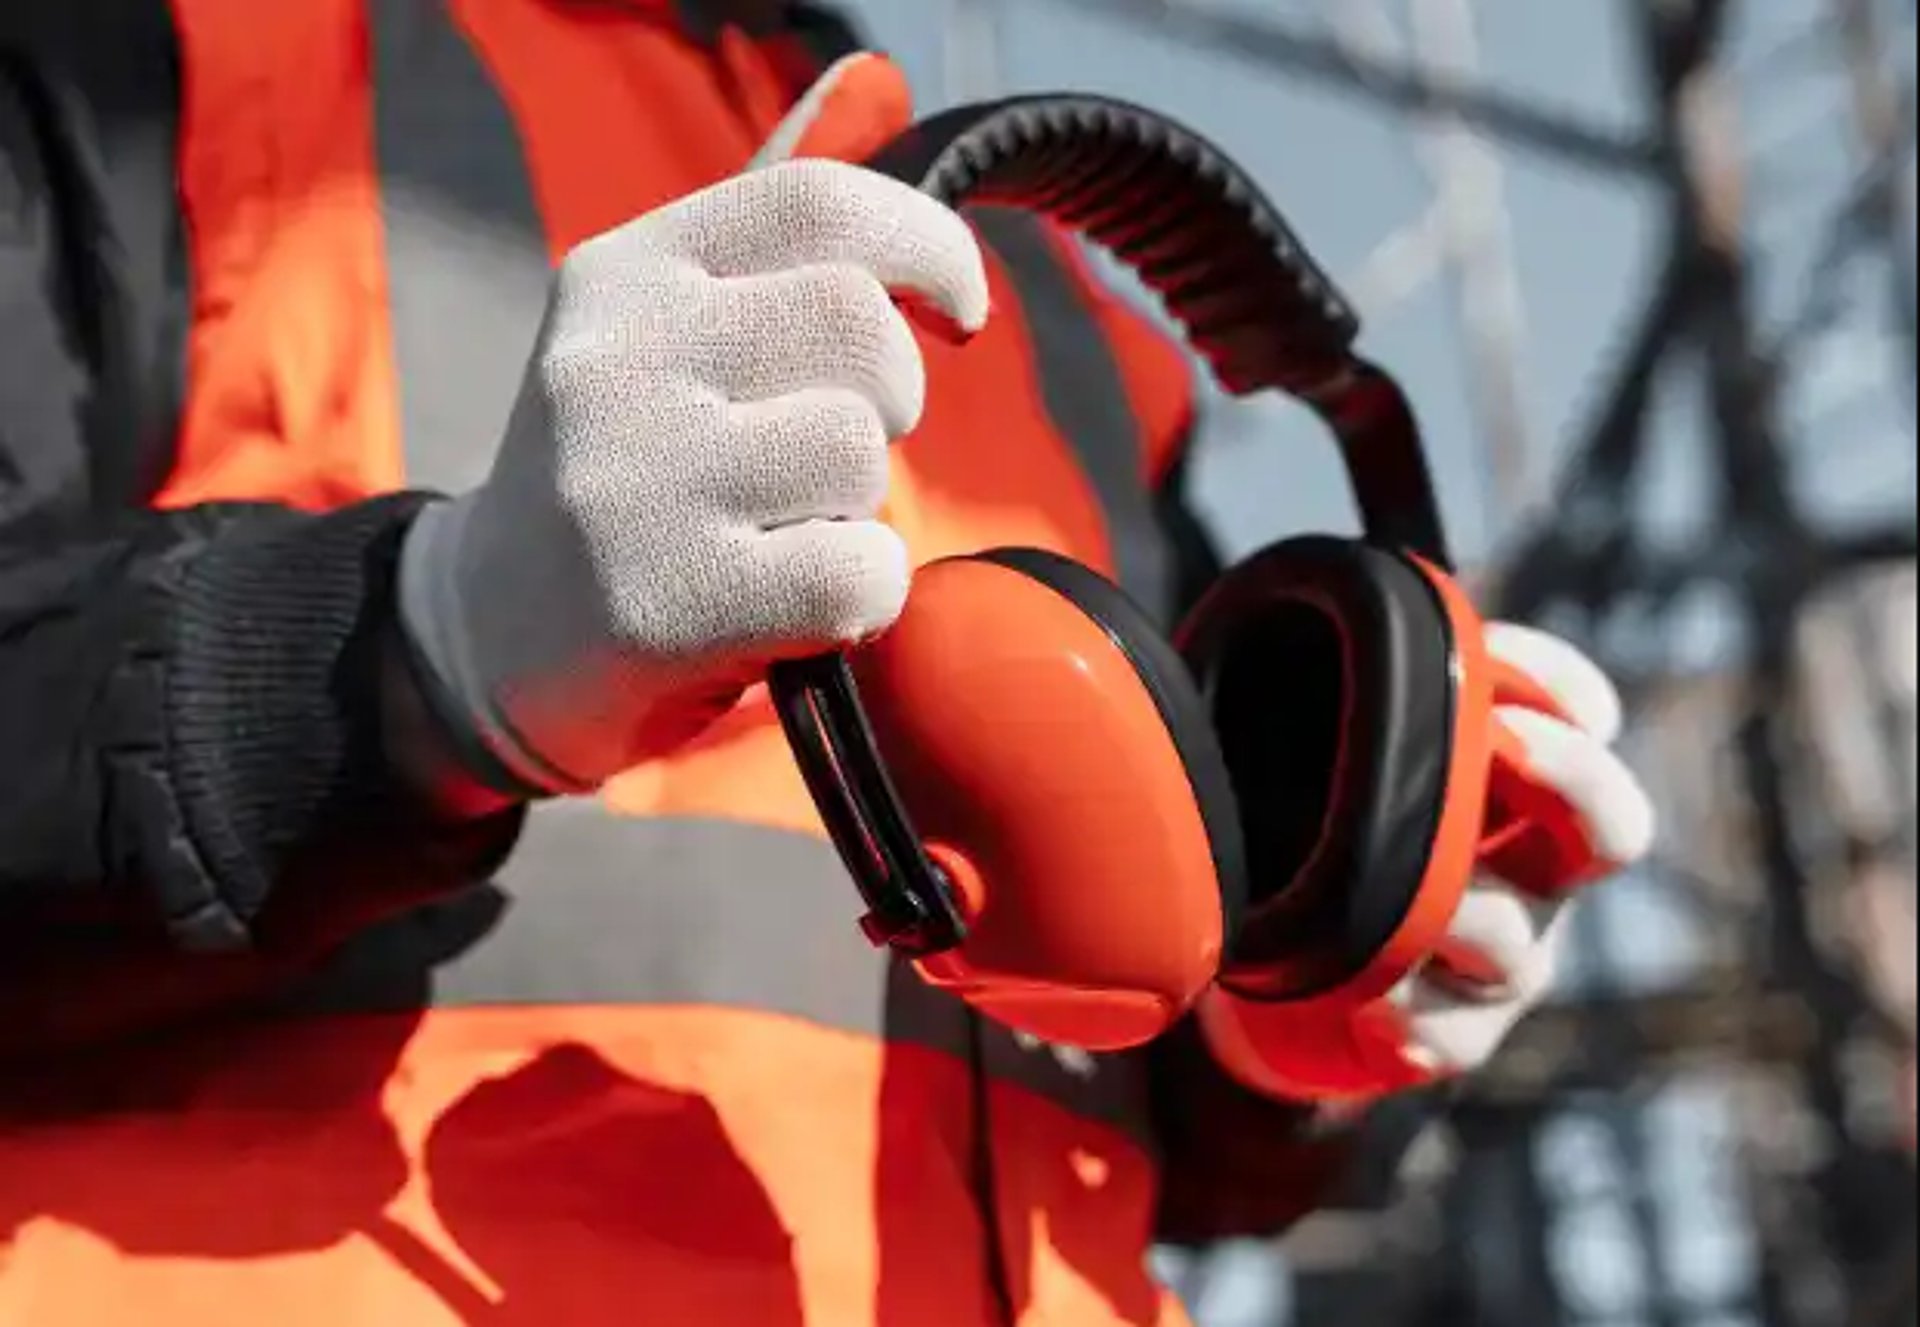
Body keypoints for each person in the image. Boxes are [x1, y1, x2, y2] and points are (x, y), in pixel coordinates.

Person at [0, 3, 1655, 1324]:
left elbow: (1114, 1001)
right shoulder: (157, 55)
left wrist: (1282, 1040)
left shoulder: (1053, 303)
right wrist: (416, 643)